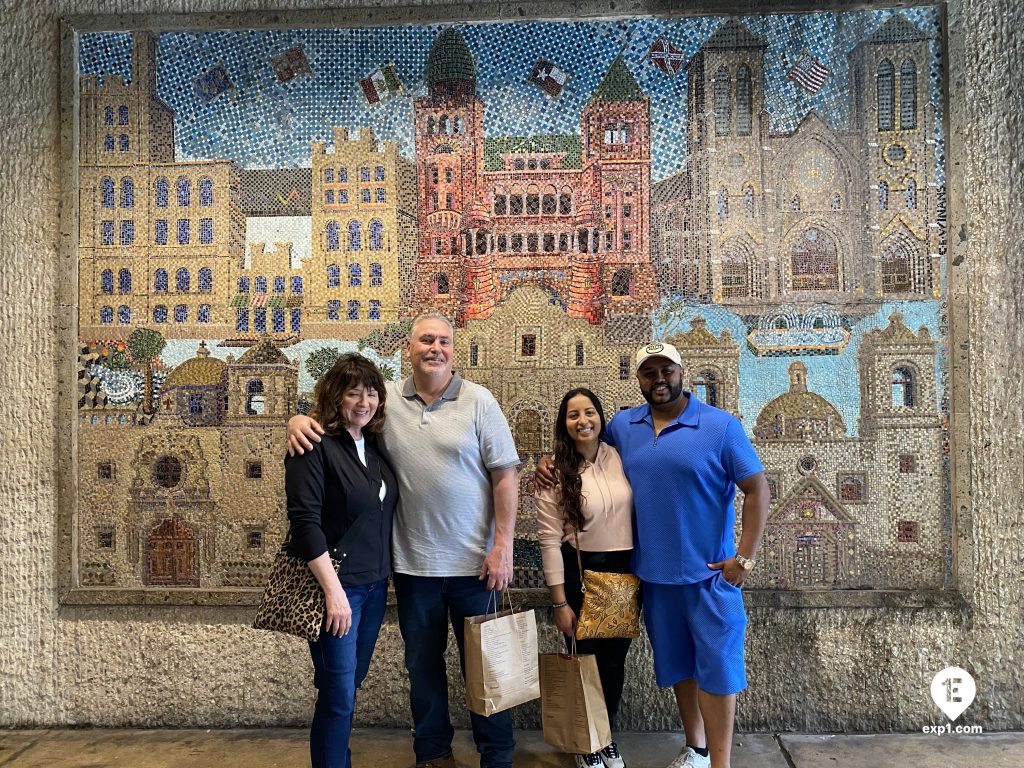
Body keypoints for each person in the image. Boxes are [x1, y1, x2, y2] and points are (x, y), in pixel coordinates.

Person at [287, 314, 520, 768]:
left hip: (477, 567)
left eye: (444, 341)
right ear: (408, 348)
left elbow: (506, 475)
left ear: (454, 349)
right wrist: (297, 420)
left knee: (486, 668)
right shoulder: (386, 398)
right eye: (426, 340)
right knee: (423, 669)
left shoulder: (479, 401)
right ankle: (433, 754)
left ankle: (498, 755)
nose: (436, 347)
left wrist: (503, 546)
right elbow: (339, 418)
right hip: (414, 569)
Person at [536, 341, 769, 768]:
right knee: (680, 668)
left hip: (710, 577)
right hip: (653, 580)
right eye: (649, 372)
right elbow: (581, 443)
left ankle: (720, 763)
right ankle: (695, 749)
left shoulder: (721, 427)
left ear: (682, 371)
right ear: (639, 379)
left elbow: (757, 488)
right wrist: (547, 463)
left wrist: (745, 557)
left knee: (718, 673)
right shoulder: (625, 426)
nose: (659, 379)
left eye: (667, 370)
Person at [284, 352, 399, 768]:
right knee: (337, 695)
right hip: (339, 589)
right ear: (335, 397)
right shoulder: (313, 445)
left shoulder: (376, 444)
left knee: (348, 686)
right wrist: (334, 593)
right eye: (353, 393)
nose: (364, 402)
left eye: (371, 393)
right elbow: (304, 523)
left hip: (372, 586)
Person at [535, 388, 634, 768]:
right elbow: (547, 540)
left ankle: (606, 737)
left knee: (613, 663)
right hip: (580, 574)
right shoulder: (555, 472)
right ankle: (585, 742)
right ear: (564, 424)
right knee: (584, 661)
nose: (582, 421)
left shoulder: (619, 457)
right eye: (573, 415)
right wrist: (559, 602)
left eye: (589, 412)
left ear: (601, 417)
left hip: (622, 572)